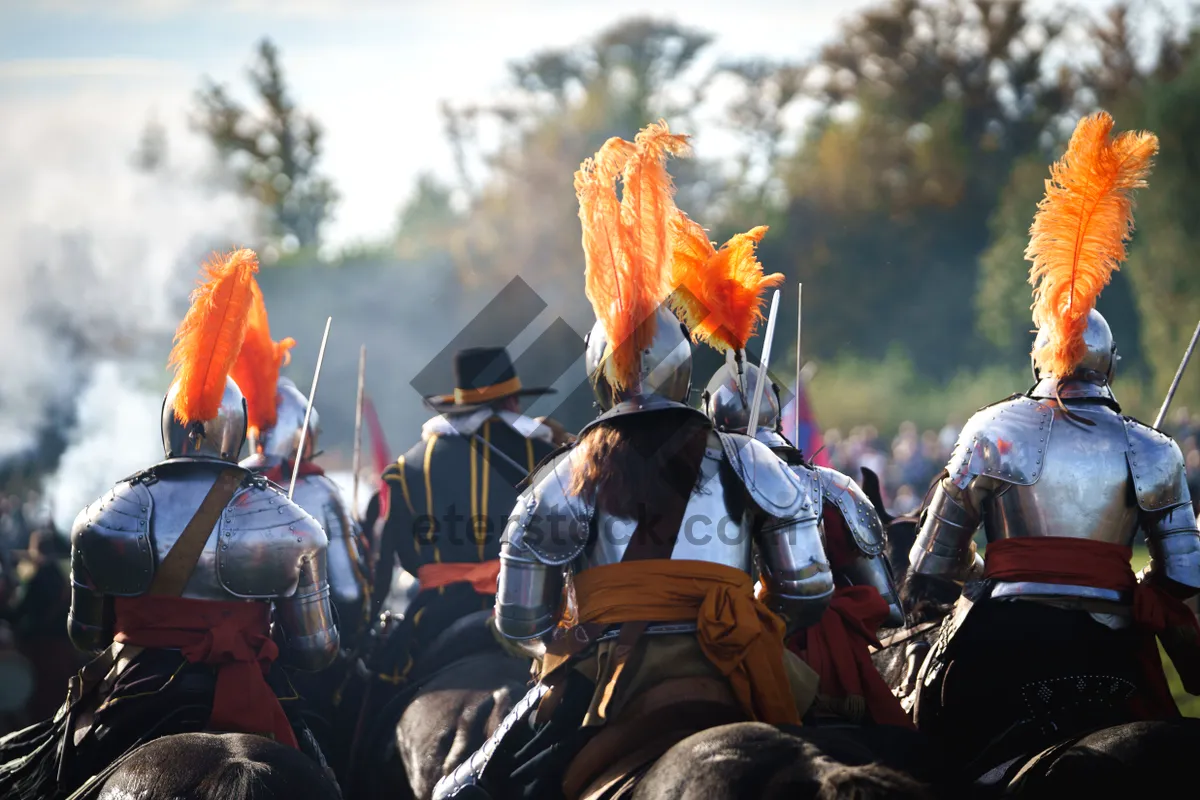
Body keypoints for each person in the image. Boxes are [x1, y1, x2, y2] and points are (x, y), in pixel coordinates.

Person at [436, 121, 832, 800]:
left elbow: (517, 625)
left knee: (458, 794)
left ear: (600, 376)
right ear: (686, 370)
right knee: (878, 740)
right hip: (739, 666)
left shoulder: (561, 477)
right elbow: (807, 589)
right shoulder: (750, 462)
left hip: (607, 681)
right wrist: (742, 619)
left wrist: (567, 640)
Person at [907, 112, 1200, 773]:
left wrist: (982, 580)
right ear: (1111, 364)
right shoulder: (1150, 449)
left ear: (1041, 359)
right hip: (1113, 648)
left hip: (1002, 641)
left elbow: (931, 562)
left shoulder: (992, 429)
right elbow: (1185, 576)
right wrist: (1125, 583)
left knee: (929, 759)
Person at [0, 250, 339, 800]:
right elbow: (316, 651)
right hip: (255, 691)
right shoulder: (290, 520)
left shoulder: (107, 513)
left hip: (137, 691)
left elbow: (85, 636)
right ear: (237, 429)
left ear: (168, 427)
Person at [703, 357, 909, 728]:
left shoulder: (703, 494)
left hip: (740, 654)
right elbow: (890, 608)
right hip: (839, 669)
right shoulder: (837, 488)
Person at [367, 345, 559, 683]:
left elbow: (390, 559)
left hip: (431, 621)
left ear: (459, 403)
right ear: (512, 402)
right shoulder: (549, 455)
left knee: (370, 701)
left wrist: (365, 629)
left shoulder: (408, 465)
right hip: (532, 620)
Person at [233, 283, 370, 647]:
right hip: (301, 649)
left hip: (229, 640)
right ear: (302, 435)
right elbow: (349, 590)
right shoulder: (321, 492)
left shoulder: (226, 486)